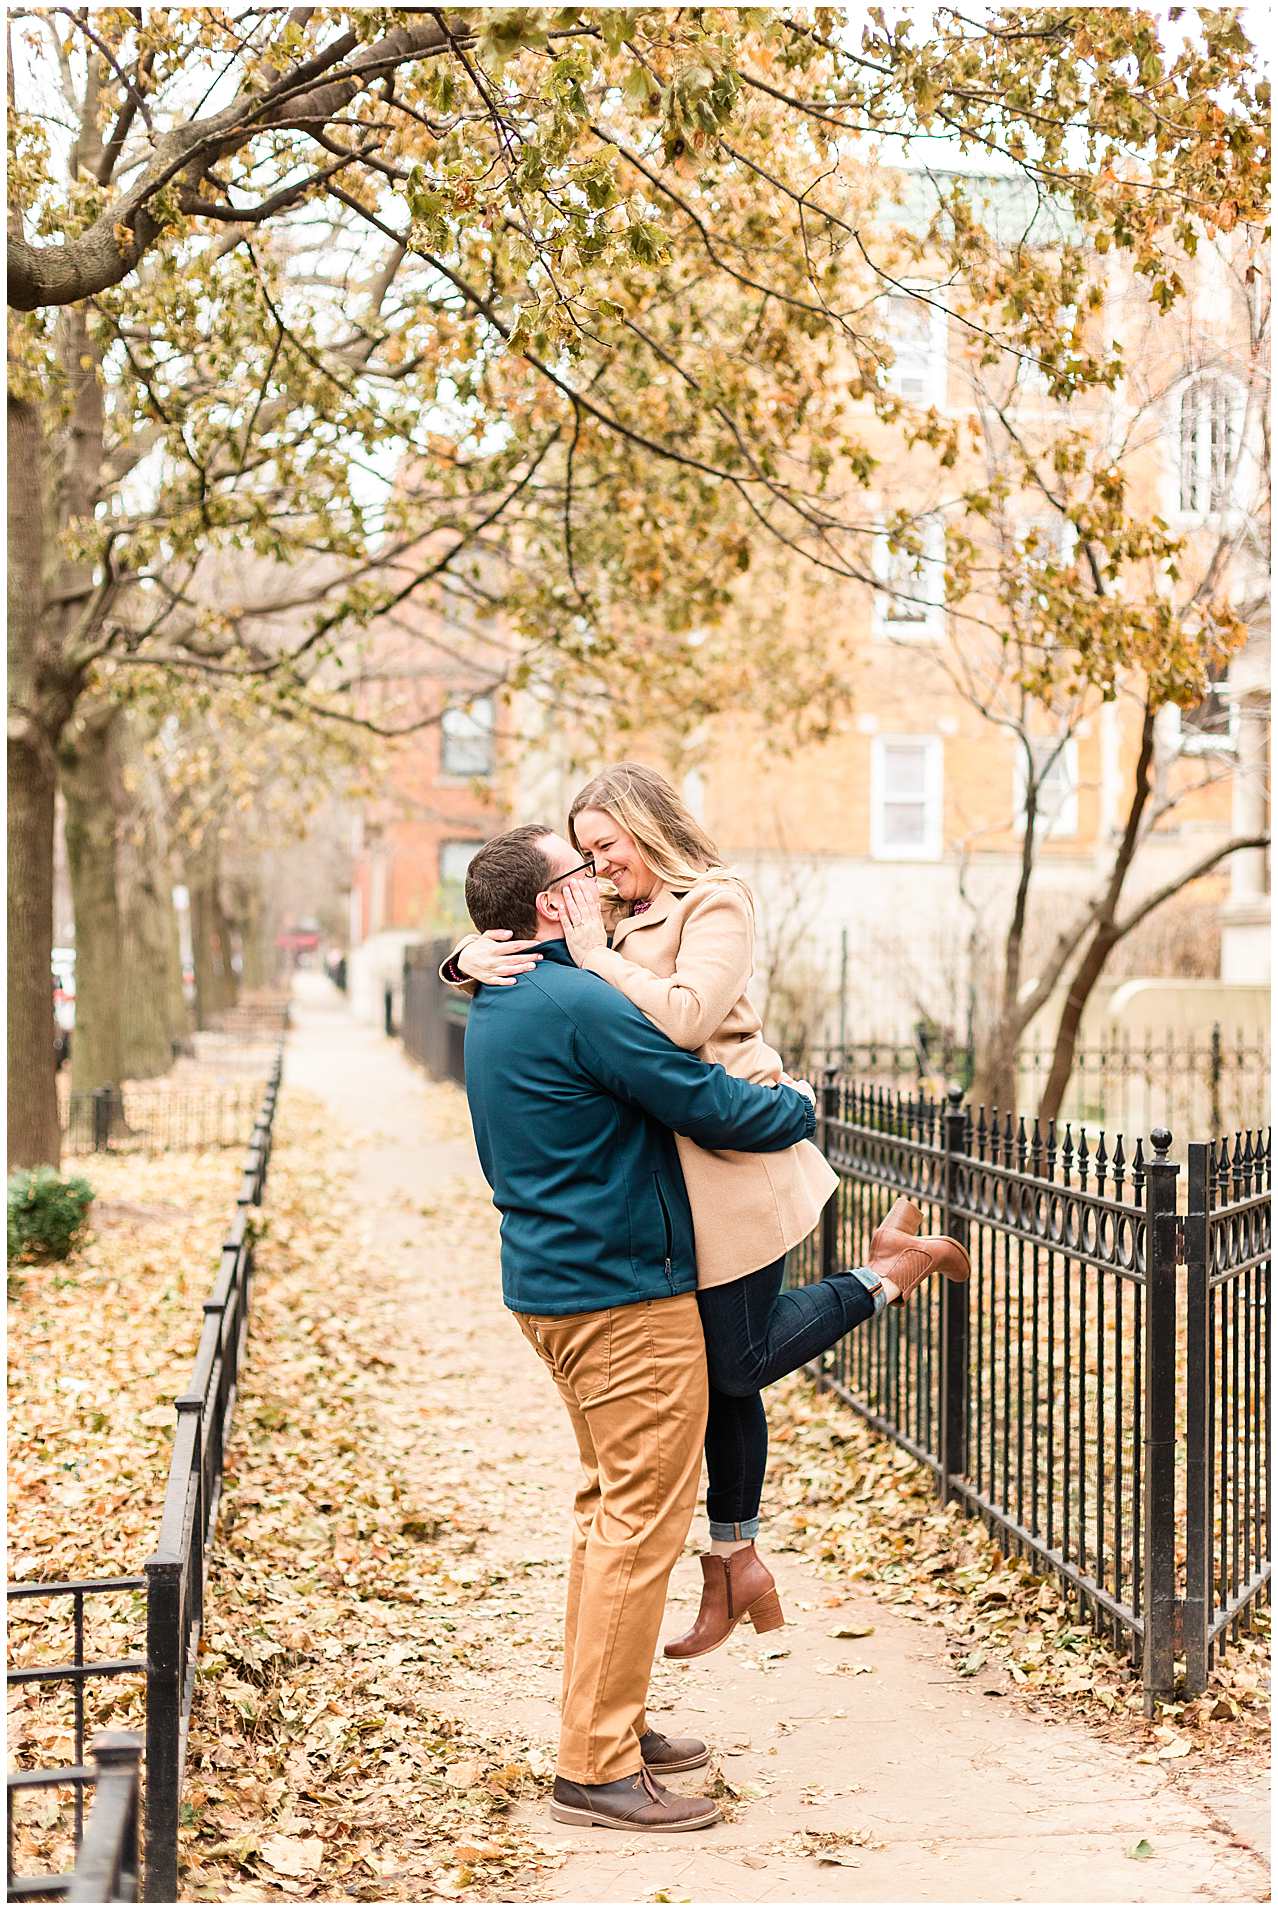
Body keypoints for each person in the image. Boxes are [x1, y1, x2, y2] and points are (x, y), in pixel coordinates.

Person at [445, 765, 969, 1661]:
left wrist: (597, 954)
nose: (600, 869)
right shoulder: (604, 915)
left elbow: (685, 1023)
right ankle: (734, 1557)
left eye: (607, 847)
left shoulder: (712, 902)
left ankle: (889, 1272)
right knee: (722, 1370)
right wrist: (461, 958)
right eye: (586, 857)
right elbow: (537, 959)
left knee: (740, 1357)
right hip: (678, 1170)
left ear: (647, 830)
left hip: (735, 1154)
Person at [459, 823, 821, 1833]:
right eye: (577, 872)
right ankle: (596, 1766)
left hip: (553, 1288)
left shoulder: (497, 995)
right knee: (637, 1528)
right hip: (620, 1298)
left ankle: (607, 1720)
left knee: (604, 1516)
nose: (595, 882)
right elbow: (699, 1097)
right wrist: (795, 1105)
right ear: (548, 906)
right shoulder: (574, 998)